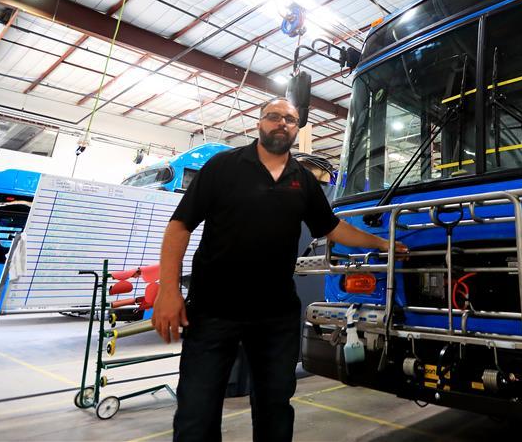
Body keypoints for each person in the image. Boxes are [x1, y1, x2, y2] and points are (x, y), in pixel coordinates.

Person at [153, 97, 407, 442]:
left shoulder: (303, 180)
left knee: (274, 408)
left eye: (290, 120)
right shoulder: (223, 167)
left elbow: (332, 228)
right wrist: (168, 290)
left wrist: (380, 243)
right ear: (259, 123)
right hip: (213, 309)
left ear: (296, 129)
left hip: (275, 315)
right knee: (196, 412)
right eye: (274, 116)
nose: (282, 123)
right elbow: (179, 227)